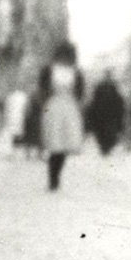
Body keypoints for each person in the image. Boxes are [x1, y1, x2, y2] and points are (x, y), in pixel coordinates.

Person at [39, 43, 86, 190]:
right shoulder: (49, 70)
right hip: (53, 107)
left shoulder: (76, 72)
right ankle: (53, 177)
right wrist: (44, 103)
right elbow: (42, 88)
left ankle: (56, 175)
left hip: (69, 107)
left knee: (65, 143)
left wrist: (77, 103)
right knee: (55, 142)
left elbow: (80, 91)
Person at [84, 70, 127, 155]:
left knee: (108, 132)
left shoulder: (113, 87)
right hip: (102, 114)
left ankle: (106, 147)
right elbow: (95, 100)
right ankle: (104, 147)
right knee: (102, 132)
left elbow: (119, 101)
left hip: (109, 114)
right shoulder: (102, 87)